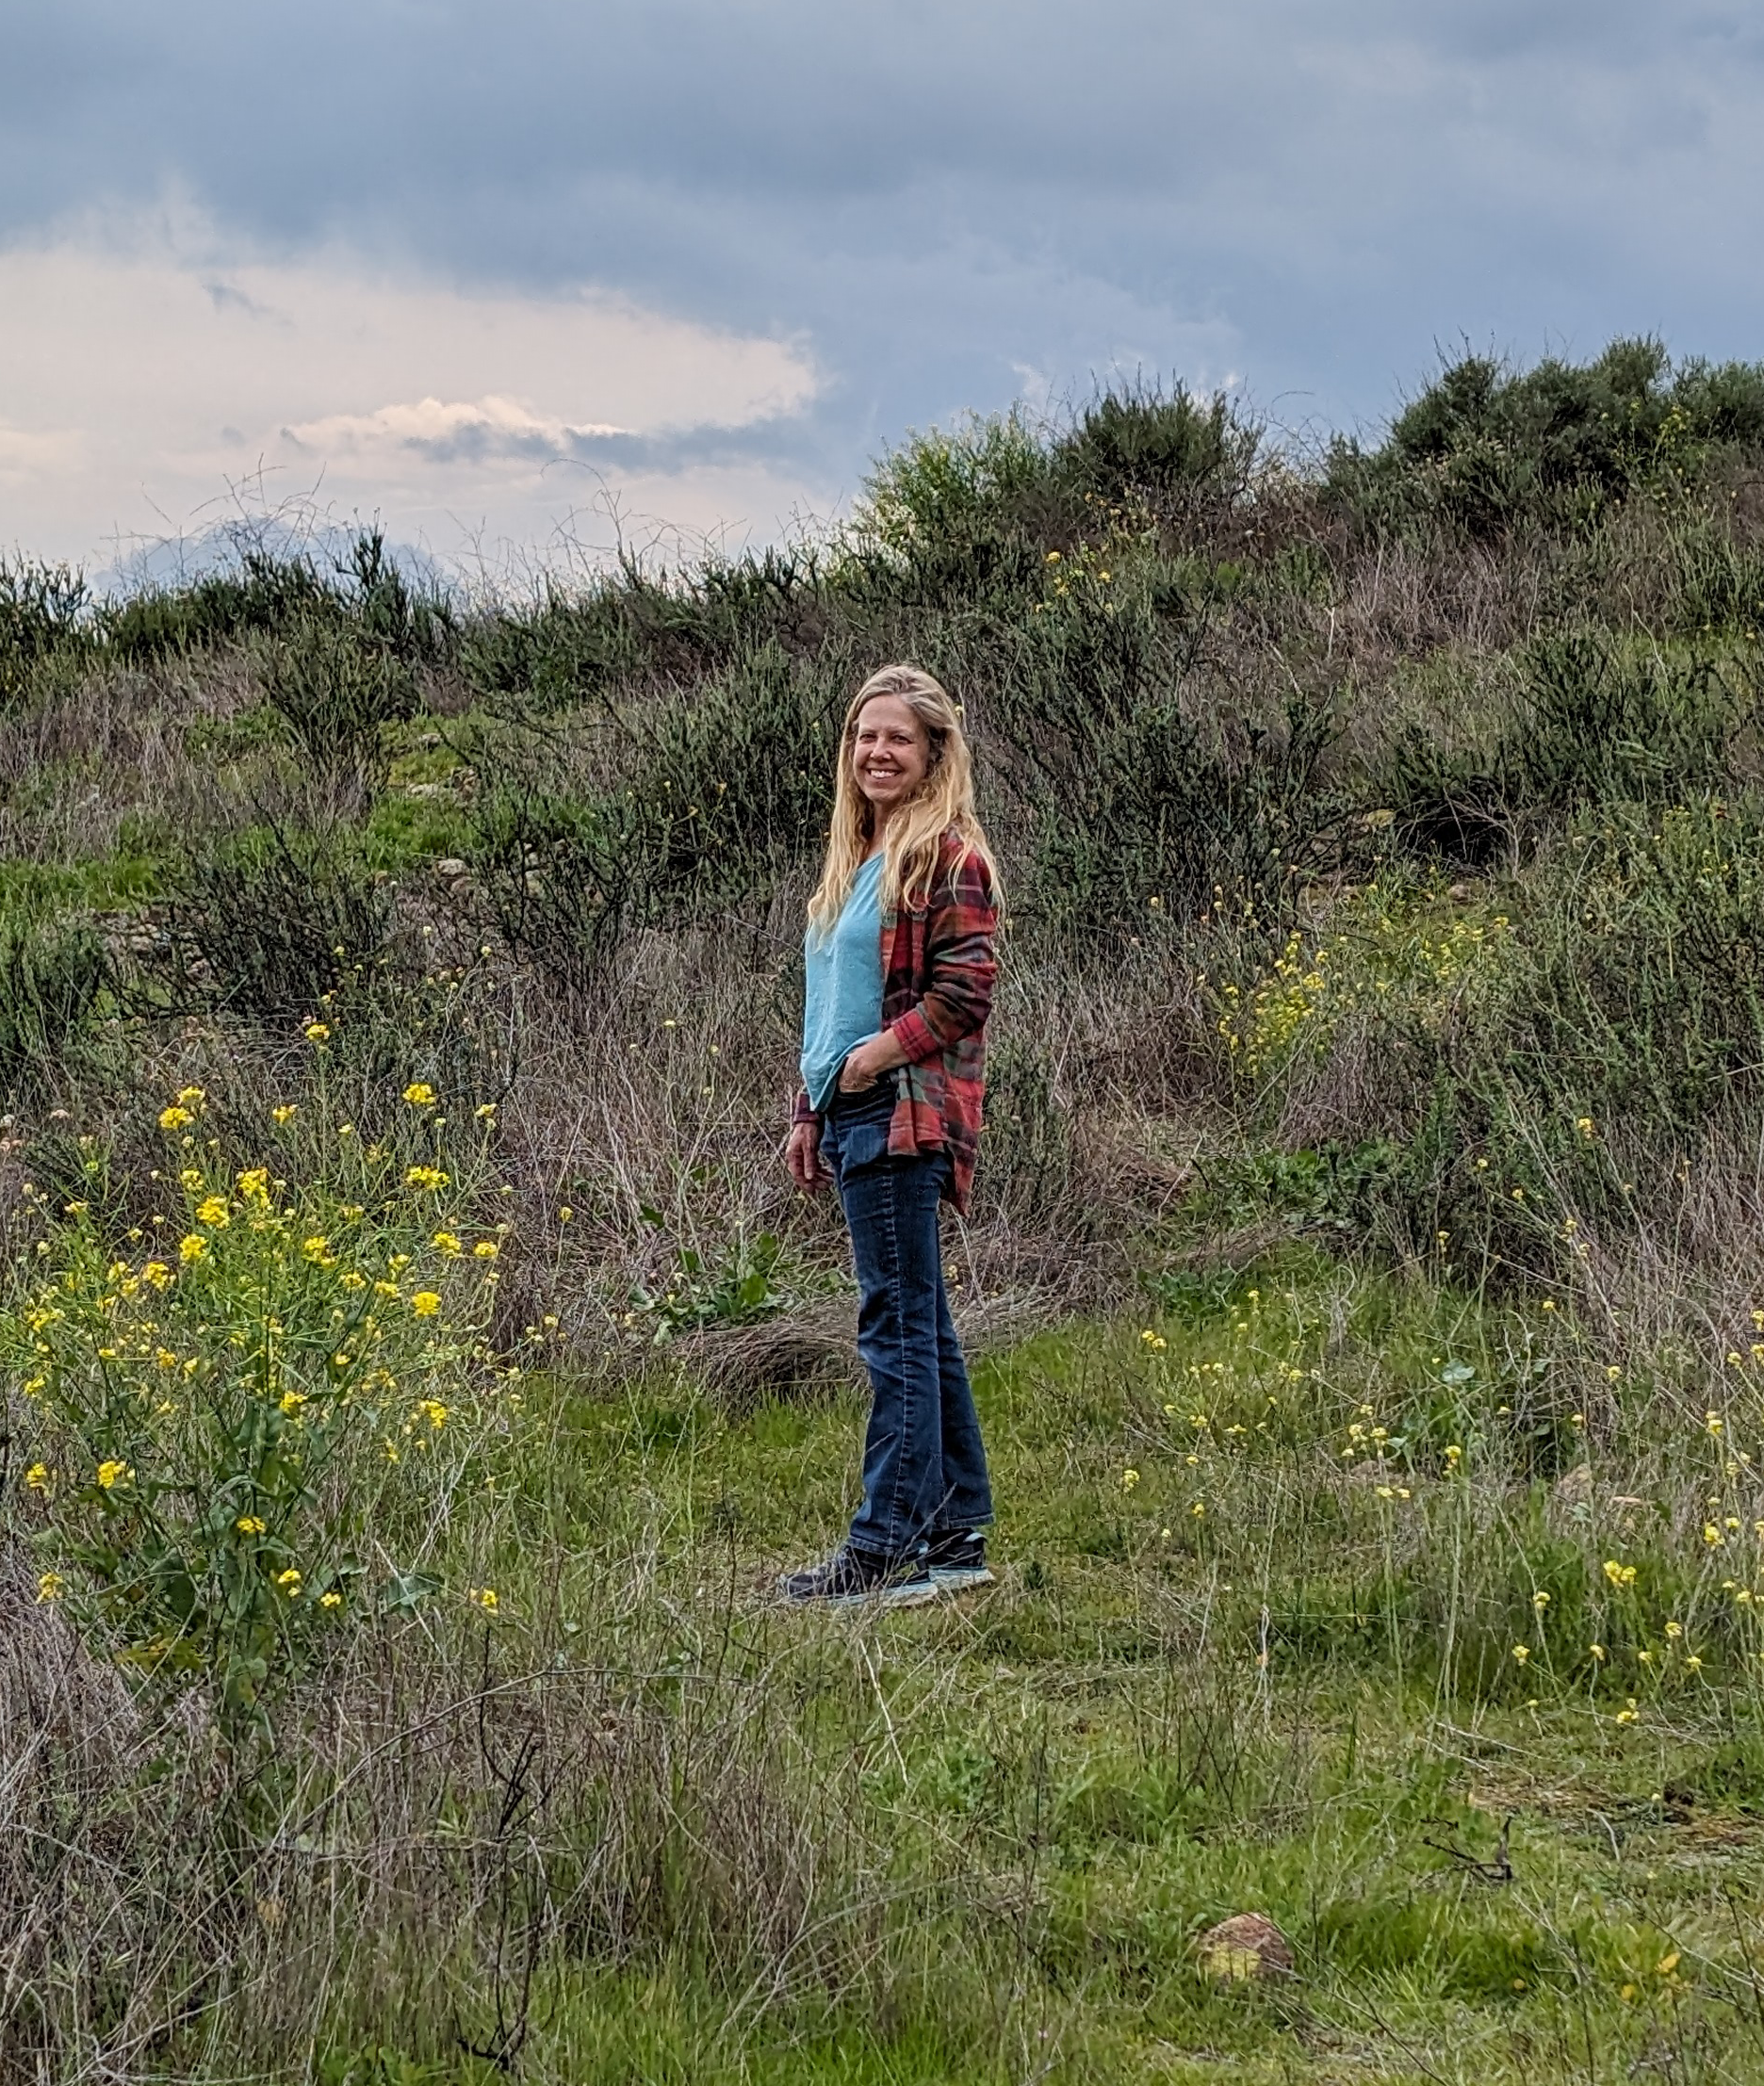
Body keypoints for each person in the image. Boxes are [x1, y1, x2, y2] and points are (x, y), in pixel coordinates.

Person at [780, 663, 1002, 1607]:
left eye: (897, 739)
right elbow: (829, 1004)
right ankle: (955, 1535)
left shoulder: (950, 860)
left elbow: (964, 994)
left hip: (903, 1113)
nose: (877, 752)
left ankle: (884, 1548)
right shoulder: (855, 862)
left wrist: (870, 1065)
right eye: (865, 737)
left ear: (933, 754)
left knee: (896, 1330)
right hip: (851, 1111)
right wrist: (808, 1107)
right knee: (922, 1325)